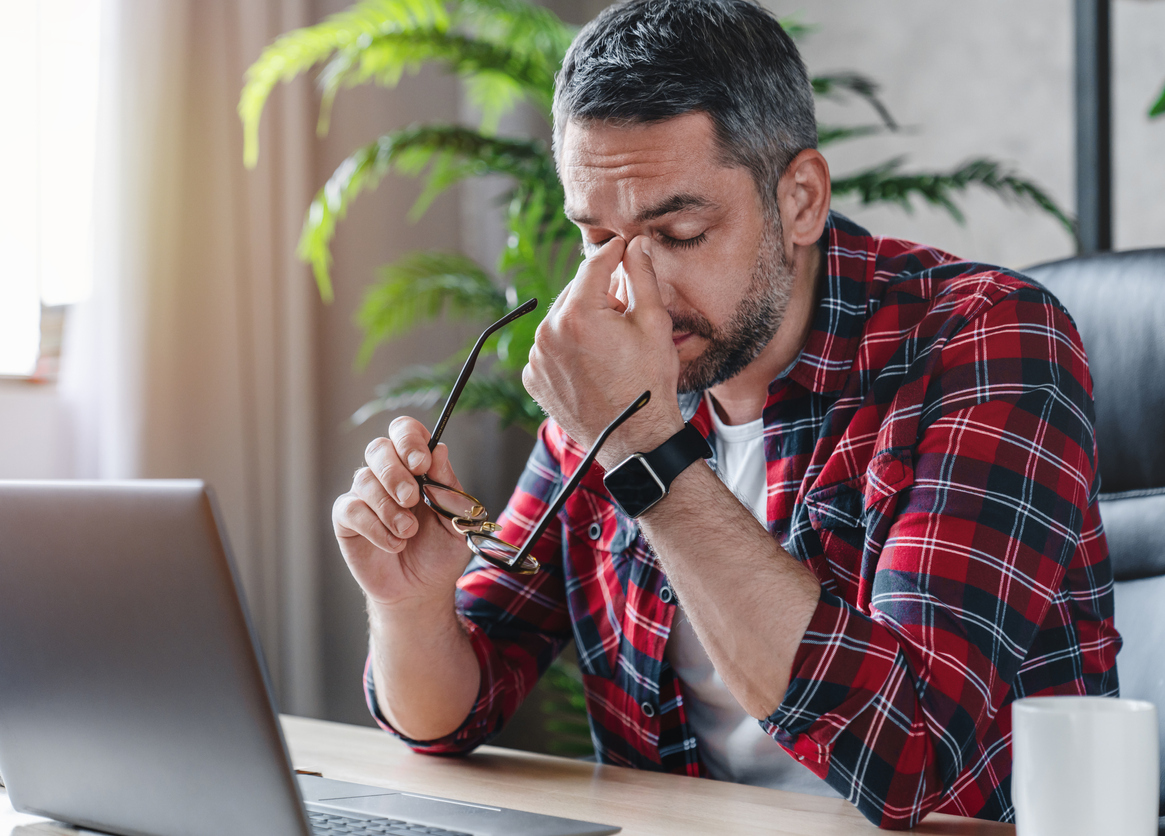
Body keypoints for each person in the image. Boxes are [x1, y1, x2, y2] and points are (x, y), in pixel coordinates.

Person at [330, 0, 1120, 828]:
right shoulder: (611, 370)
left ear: (801, 199)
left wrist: (646, 448)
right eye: (596, 238)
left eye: (677, 232)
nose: (630, 285)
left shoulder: (983, 339)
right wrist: (411, 607)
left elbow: (908, 757)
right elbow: (457, 711)